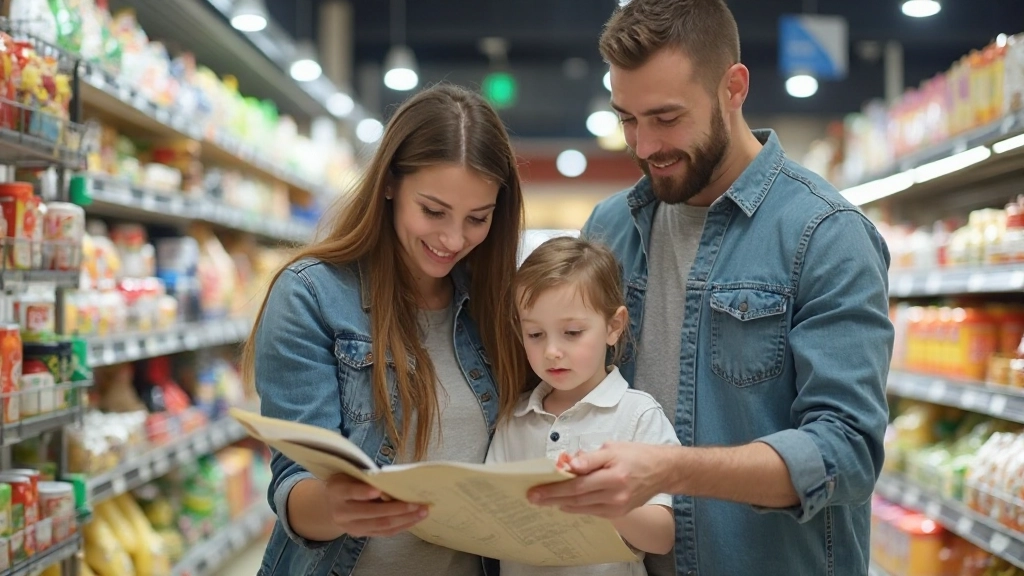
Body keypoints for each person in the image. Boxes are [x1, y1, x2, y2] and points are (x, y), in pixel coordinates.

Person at [527, 1, 895, 575]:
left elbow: (844, 451)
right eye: (627, 119)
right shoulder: (609, 229)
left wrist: (669, 469)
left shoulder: (825, 235)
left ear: (733, 87)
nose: (644, 145)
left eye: (667, 118)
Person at [241, 84, 528, 576]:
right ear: (390, 183)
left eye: (477, 218)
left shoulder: (497, 303)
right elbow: (293, 484)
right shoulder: (311, 296)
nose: (453, 239)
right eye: (433, 211)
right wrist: (337, 505)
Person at [486, 236, 679, 576]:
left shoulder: (638, 416)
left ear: (613, 327)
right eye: (535, 334)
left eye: (572, 332)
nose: (552, 352)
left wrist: (606, 503)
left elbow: (663, 537)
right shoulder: (514, 419)